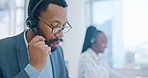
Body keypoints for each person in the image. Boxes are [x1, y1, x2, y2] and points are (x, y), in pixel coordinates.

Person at [0, 0, 72, 78]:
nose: (61, 34)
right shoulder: (2, 50)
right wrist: (34, 67)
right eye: (55, 26)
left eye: (63, 26)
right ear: (32, 22)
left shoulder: (57, 51)